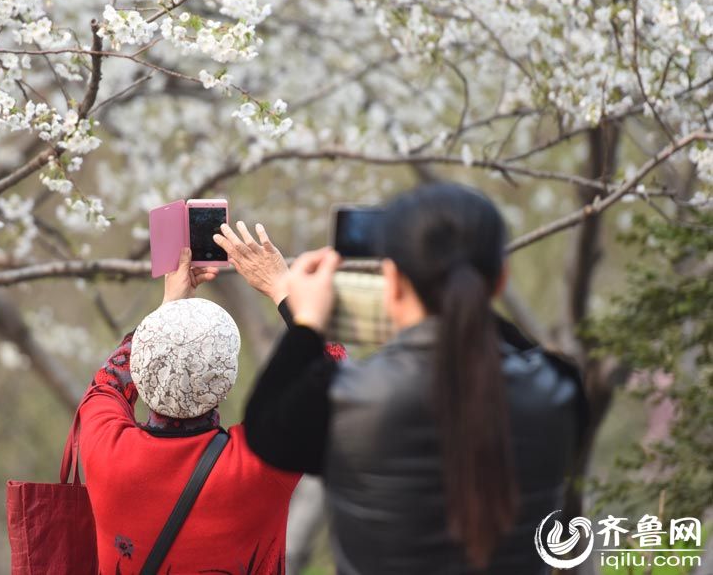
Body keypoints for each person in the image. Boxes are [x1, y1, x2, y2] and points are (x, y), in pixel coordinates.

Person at [242, 183, 587, 574]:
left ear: (392, 280)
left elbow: (266, 427)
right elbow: (535, 358)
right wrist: (464, 308)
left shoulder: (345, 401)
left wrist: (305, 322)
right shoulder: (559, 394)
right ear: (501, 279)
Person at [79, 222, 345, 574]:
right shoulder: (260, 464)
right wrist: (281, 287)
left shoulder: (103, 448)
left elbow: (108, 382)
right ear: (225, 379)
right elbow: (339, 382)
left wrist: (168, 308)